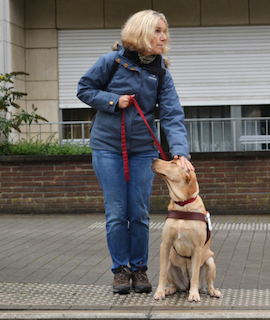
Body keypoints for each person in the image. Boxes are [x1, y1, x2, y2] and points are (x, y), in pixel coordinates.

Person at [77, 9, 194, 295]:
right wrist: (113, 100)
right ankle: (120, 271)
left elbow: (172, 115)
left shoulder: (160, 73)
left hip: (142, 151)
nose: (163, 36)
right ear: (141, 32)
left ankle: (139, 269)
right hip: (107, 148)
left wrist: (180, 151)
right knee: (117, 212)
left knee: (139, 213)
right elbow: (84, 88)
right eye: (157, 30)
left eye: (165, 31)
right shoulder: (112, 62)